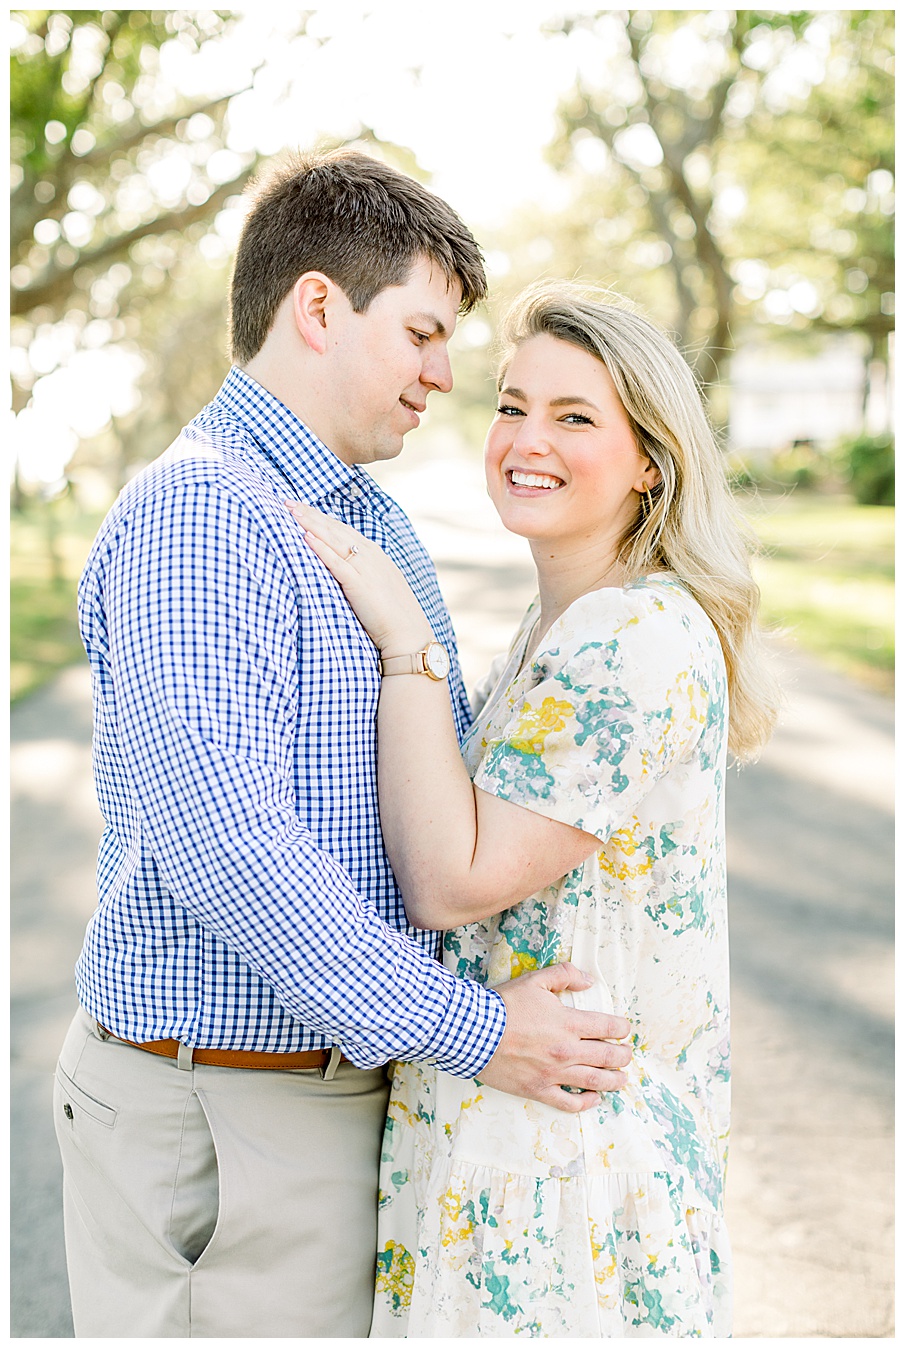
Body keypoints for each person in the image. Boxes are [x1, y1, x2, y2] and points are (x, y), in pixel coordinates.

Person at [55, 150, 634, 1338]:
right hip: (221, 1114)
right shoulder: (202, 520)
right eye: (423, 333)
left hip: (322, 1096)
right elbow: (236, 853)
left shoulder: (360, 514)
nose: (445, 374)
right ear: (317, 306)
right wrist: (481, 1033)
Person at [292, 280, 778, 1334]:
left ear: (653, 460)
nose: (526, 440)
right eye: (513, 405)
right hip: (505, 1145)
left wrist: (408, 644)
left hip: (561, 1178)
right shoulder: (558, 627)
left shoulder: (630, 636)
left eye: (575, 417)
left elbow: (451, 880)